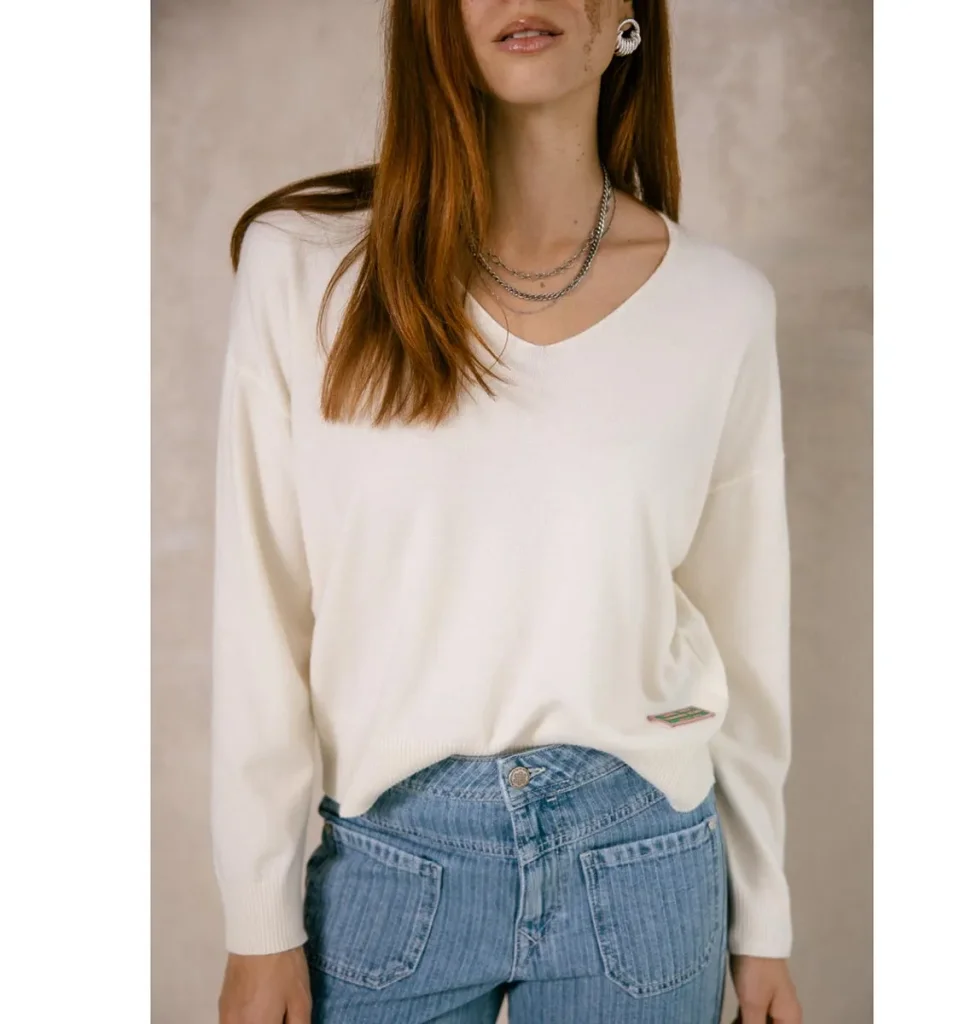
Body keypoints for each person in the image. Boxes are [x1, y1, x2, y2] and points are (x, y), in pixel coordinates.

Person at [211, 2, 804, 1022]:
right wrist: (257, 919)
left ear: (628, 15)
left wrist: (765, 927)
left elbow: (745, 635)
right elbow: (259, 608)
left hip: (642, 861)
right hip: (392, 864)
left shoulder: (722, 307)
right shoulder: (305, 266)